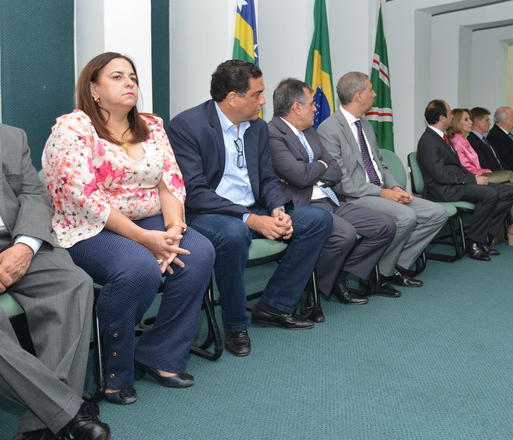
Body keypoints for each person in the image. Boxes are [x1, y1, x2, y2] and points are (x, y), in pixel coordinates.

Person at [42, 52, 215, 406]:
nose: (129, 83)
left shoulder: (151, 126)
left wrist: (174, 230)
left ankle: (161, 354)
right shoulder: (72, 128)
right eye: (117, 77)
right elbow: (84, 196)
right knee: (138, 268)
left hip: (149, 219)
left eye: (133, 78)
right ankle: (114, 371)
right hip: (88, 226)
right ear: (93, 89)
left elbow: (171, 181)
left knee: (198, 253)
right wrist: (145, 240)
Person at [167, 60, 332, 358]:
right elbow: (196, 193)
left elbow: (267, 178)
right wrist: (250, 219)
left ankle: (275, 306)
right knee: (234, 234)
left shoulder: (257, 128)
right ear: (232, 98)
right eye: (257, 94)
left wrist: (278, 209)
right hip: (208, 214)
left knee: (318, 220)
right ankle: (235, 324)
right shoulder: (187, 126)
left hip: (255, 208)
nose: (264, 101)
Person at [1, 123, 111, 440]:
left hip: (17, 239)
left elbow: (33, 194)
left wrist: (25, 246)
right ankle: (69, 415)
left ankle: (41, 426)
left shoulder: (11, 136)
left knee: (74, 283)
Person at [268, 78, 398, 303]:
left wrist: (313, 170)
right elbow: (299, 176)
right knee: (345, 234)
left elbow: (335, 171)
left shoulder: (310, 132)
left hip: (331, 198)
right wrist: (320, 166)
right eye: (311, 104)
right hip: (304, 204)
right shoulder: (272, 133)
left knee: (385, 226)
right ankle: (311, 288)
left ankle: (337, 276)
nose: (315, 108)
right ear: (296, 107)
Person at [318, 72, 448, 284]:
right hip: (355, 197)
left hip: (381, 191)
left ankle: (389, 265)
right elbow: (341, 182)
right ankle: (382, 272)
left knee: (437, 213)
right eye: (370, 90)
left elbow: (380, 164)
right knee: (406, 217)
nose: (375, 94)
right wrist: (382, 192)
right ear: (358, 95)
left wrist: (395, 187)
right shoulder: (329, 129)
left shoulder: (366, 125)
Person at [416, 100, 513, 261]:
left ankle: (484, 237)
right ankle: (474, 242)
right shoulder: (428, 141)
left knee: (509, 191)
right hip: (442, 190)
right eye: (450, 114)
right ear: (442, 118)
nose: (452, 116)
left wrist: (473, 177)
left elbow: (457, 168)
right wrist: (472, 180)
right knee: (489, 194)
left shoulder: (442, 137)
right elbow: (440, 176)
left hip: (455, 184)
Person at [448, 108, 513, 248]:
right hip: (474, 179)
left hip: (480, 174)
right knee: (510, 175)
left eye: (470, 119)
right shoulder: (457, 142)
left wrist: (485, 171)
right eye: (466, 119)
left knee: (511, 186)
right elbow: (467, 170)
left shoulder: (465, 141)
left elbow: (474, 165)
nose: (470, 122)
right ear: (457, 123)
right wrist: (486, 171)